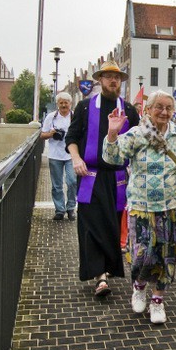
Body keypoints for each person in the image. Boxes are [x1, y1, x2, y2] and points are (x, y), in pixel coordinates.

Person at [103, 90, 176, 323]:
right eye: (158, 107)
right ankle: (139, 286)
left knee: (167, 254)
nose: (163, 112)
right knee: (142, 254)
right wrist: (112, 133)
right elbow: (112, 159)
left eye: (168, 108)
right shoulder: (136, 134)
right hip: (141, 206)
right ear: (148, 110)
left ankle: (158, 300)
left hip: (171, 205)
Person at [65, 59, 139, 298]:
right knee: (90, 225)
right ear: (100, 80)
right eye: (108, 76)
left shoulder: (128, 110)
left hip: (118, 177)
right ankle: (100, 277)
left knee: (111, 224)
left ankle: (107, 269)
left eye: (116, 77)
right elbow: (72, 137)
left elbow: (139, 143)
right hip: (90, 174)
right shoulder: (85, 107)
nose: (113, 80)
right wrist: (76, 159)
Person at [41, 92, 77, 221]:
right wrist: (51, 134)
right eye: (61, 103)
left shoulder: (75, 117)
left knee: (72, 181)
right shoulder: (51, 117)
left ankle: (71, 208)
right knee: (57, 185)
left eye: (66, 102)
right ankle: (60, 210)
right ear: (57, 104)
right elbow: (42, 135)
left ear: (70, 104)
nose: (63, 105)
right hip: (55, 155)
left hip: (71, 155)